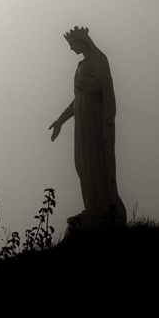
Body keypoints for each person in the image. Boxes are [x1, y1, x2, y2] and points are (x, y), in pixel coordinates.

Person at [49, 26, 126, 233]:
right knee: (84, 164)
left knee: (95, 161)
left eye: (72, 44)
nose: (71, 49)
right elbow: (77, 99)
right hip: (82, 124)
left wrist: (91, 87)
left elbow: (104, 82)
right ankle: (92, 206)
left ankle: (102, 207)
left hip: (94, 122)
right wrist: (60, 120)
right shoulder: (80, 66)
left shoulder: (98, 59)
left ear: (82, 41)